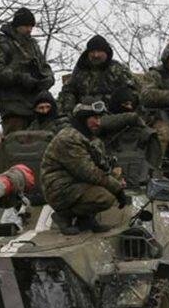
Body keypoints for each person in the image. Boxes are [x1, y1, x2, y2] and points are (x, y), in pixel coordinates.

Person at [41, 99, 128, 235]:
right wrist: (117, 189)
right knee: (105, 197)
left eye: (99, 118)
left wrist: (117, 180)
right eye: (94, 118)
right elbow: (89, 172)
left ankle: (86, 219)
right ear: (83, 119)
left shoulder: (89, 138)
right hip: (60, 188)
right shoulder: (69, 138)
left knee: (112, 181)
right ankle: (63, 215)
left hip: (75, 183)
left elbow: (102, 167)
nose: (98, 123)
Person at [0, 7, 54, 135]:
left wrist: (48, 78)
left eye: (31, 27)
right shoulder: (1, 43)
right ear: (17, 25)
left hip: (37, 106)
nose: (29, 30)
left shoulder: (32, 44)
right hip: (14, 108)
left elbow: (44, 67)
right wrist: (19, 77)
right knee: (15, 143)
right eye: (26, 26)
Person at [58, 35, 138, 118]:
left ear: (106, 52)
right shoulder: (80, 69)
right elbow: (68, 90)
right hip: (83, 114)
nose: (96, 55)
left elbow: (132, 91)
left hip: (111, 114)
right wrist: (69, 110)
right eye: (92, 52)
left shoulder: (117, 69)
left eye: (99, 51)